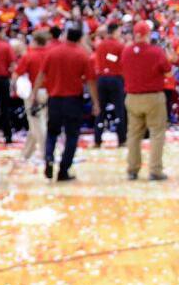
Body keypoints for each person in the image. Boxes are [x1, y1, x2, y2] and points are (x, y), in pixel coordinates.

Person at [34, 26, 99, 182]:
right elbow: (90, 81)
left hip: (54, 99)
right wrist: (96, 102)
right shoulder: (81, 55)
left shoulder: (52, 52)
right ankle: (63, 169)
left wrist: (34, 94)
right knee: (71, 136)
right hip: (73, 100)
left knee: (52, 132)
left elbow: (41, 74)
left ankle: (48, 157)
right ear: (79, 39)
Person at [121, 21, 171, 182]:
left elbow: (122, 68)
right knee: (156, 134)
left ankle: (132, 169)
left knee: (134, 135)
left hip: (132, 97)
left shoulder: (126, 52)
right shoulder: (156, 52)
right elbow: (169, 73)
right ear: (148, 34)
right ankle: (155, 170)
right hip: (153, 97)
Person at [15, 30, 51, 162]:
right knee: (36, 124)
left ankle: (45, 152)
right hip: (50, 91)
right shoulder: (50, 54)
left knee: (37, 124)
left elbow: (18, 73)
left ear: (35, 41)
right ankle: (26, 154)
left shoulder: (29, 55)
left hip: (34, 92)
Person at [92, 23, 127, 148]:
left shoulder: (100, 45)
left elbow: (102, 58)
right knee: (119, 110)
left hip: (101, 79)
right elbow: (121, 61)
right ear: (115, 31)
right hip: (115, 78)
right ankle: (121, 139)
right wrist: (113, 59)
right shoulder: (119, 45)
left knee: (101, 111)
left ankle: (97, 139)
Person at [0, 26, 17, 144]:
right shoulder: (6, 46)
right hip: (3, 79)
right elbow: (12, 64)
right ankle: (8, 135)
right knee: (5, 109)